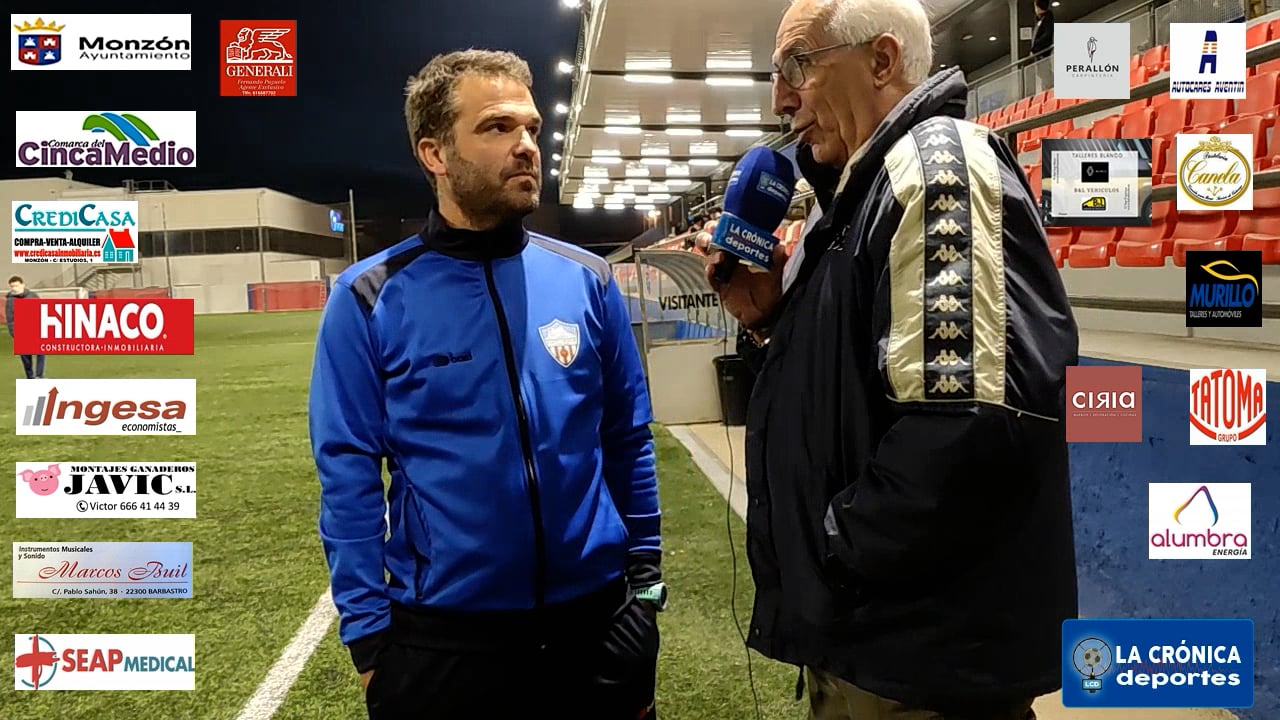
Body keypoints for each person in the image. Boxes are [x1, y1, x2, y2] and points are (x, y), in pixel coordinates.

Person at [706, 0, 1080, 718]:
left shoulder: (937, 166)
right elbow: (860, 387)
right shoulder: (851, 194)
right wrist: (771, 321)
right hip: (869, 641)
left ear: (881, 60)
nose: (781, 99)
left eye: (797, 66)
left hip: (917, 661)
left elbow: (971, 422)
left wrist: (834, 552)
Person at [309, 49, 663, 720]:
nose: (527, 146)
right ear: (435, 154)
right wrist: (369, 639)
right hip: (446, 642)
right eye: (498, 128)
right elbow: (348, 476)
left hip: (599, 626)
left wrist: (644, 585)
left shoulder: (587, 280)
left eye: (531, 128)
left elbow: (627, 438)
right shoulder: (368, 298)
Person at [6, 276, 45, 379]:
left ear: (22, 285)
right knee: (26, 357)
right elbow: (10, 319)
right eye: (12, 286)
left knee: (41, 353)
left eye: (16, 285)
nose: (15, 288)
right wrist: (14, 334)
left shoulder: (33, 296)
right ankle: (30, 377)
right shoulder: (10, 300)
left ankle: (39, 376)